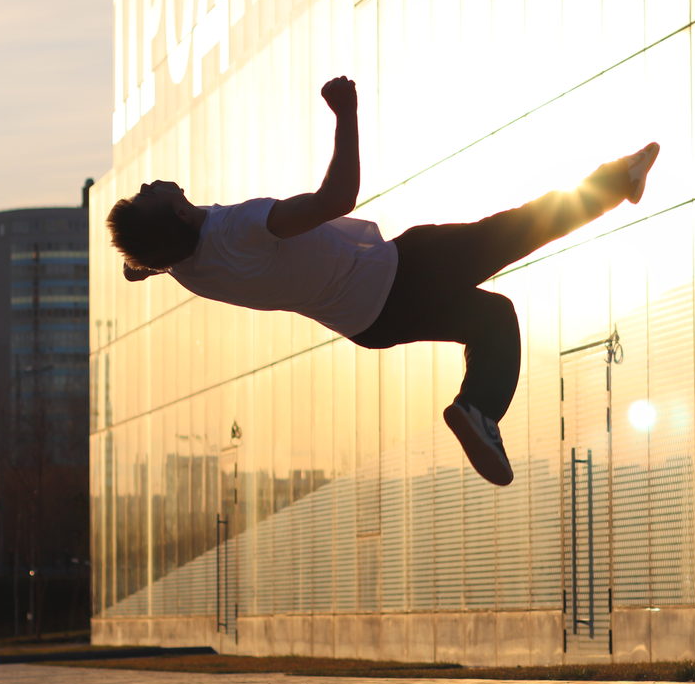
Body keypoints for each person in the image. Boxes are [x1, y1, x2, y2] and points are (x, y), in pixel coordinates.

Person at [106, 75, 659, 487]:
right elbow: (336, 199)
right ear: (177, 215)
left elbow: (147, 260)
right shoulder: (241, 227)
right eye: (149, 192)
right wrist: (345, 112)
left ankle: (480, 408)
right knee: (520, 228)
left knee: (493, 317)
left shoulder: (183, 266)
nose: (152, 182)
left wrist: (140, 262)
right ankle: (619, 180)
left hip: (371, 322)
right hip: (399, 271)